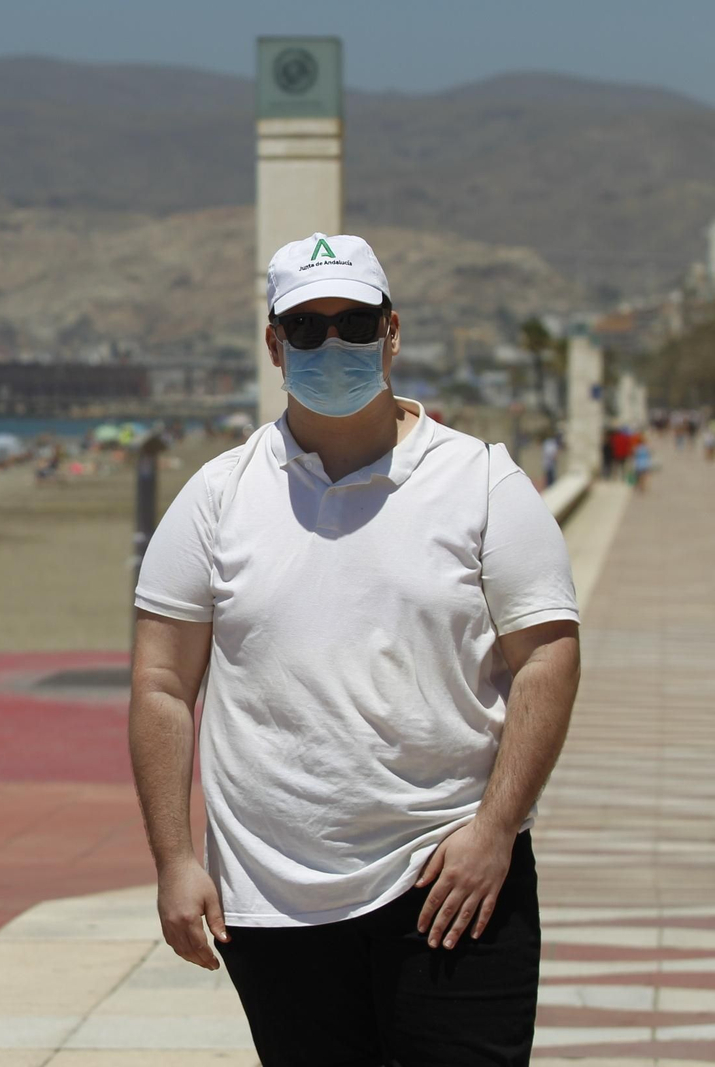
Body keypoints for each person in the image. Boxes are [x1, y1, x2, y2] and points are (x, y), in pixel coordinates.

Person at [129, 233, 581, 1066]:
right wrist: (174, 859)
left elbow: (547, 654)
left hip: (453, 879)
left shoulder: (482, 482)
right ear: (274, 345)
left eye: (354, 323)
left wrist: (496, 828)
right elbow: (161, 682)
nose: (332, 345)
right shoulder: (216, 497)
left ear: (392, 331)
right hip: (272, 902)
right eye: (307, 329)